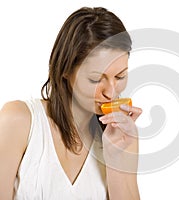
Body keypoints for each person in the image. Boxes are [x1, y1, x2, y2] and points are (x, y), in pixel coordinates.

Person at [0, 7, 142, 200]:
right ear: (66, 70)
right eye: (95, 79)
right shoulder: (18, 121)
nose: (111, 92)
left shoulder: (121, 138)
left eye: (120, 76)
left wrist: (118, 158)